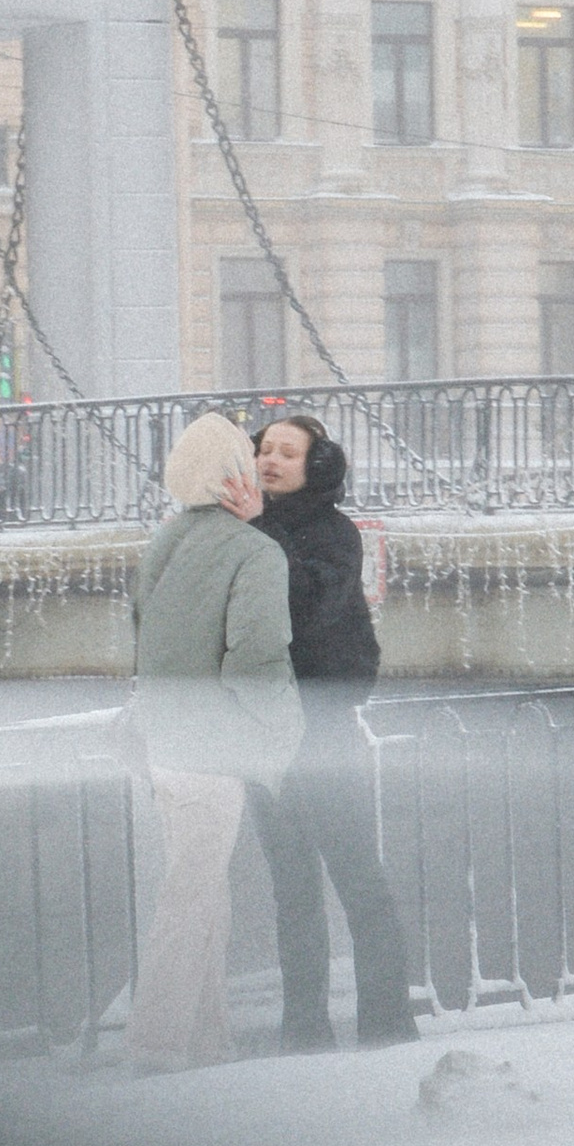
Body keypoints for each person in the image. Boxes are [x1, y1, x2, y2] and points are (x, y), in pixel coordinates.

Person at [124, 410, 300, 1072]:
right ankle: (156, 1047)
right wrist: (288, 735)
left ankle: (207, 1041)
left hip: (164, 748)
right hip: (211, 756)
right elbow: (256, 663)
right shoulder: (256, 554)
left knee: (206, 896)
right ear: (237, 473)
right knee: (189, 899)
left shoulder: (165, 540)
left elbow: (144, 634)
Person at [247, 413, 420, 1051]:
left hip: (321, 730)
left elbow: (302, 603)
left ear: (314, 465)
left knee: (356, 879)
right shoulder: (246, 528)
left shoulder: (334, 535)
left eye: (286, 452)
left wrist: (254, 529)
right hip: (265, 736)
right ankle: (304, 1030)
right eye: (264, 449)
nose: (270, 460)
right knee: (291, 890)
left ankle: (387, 1021)